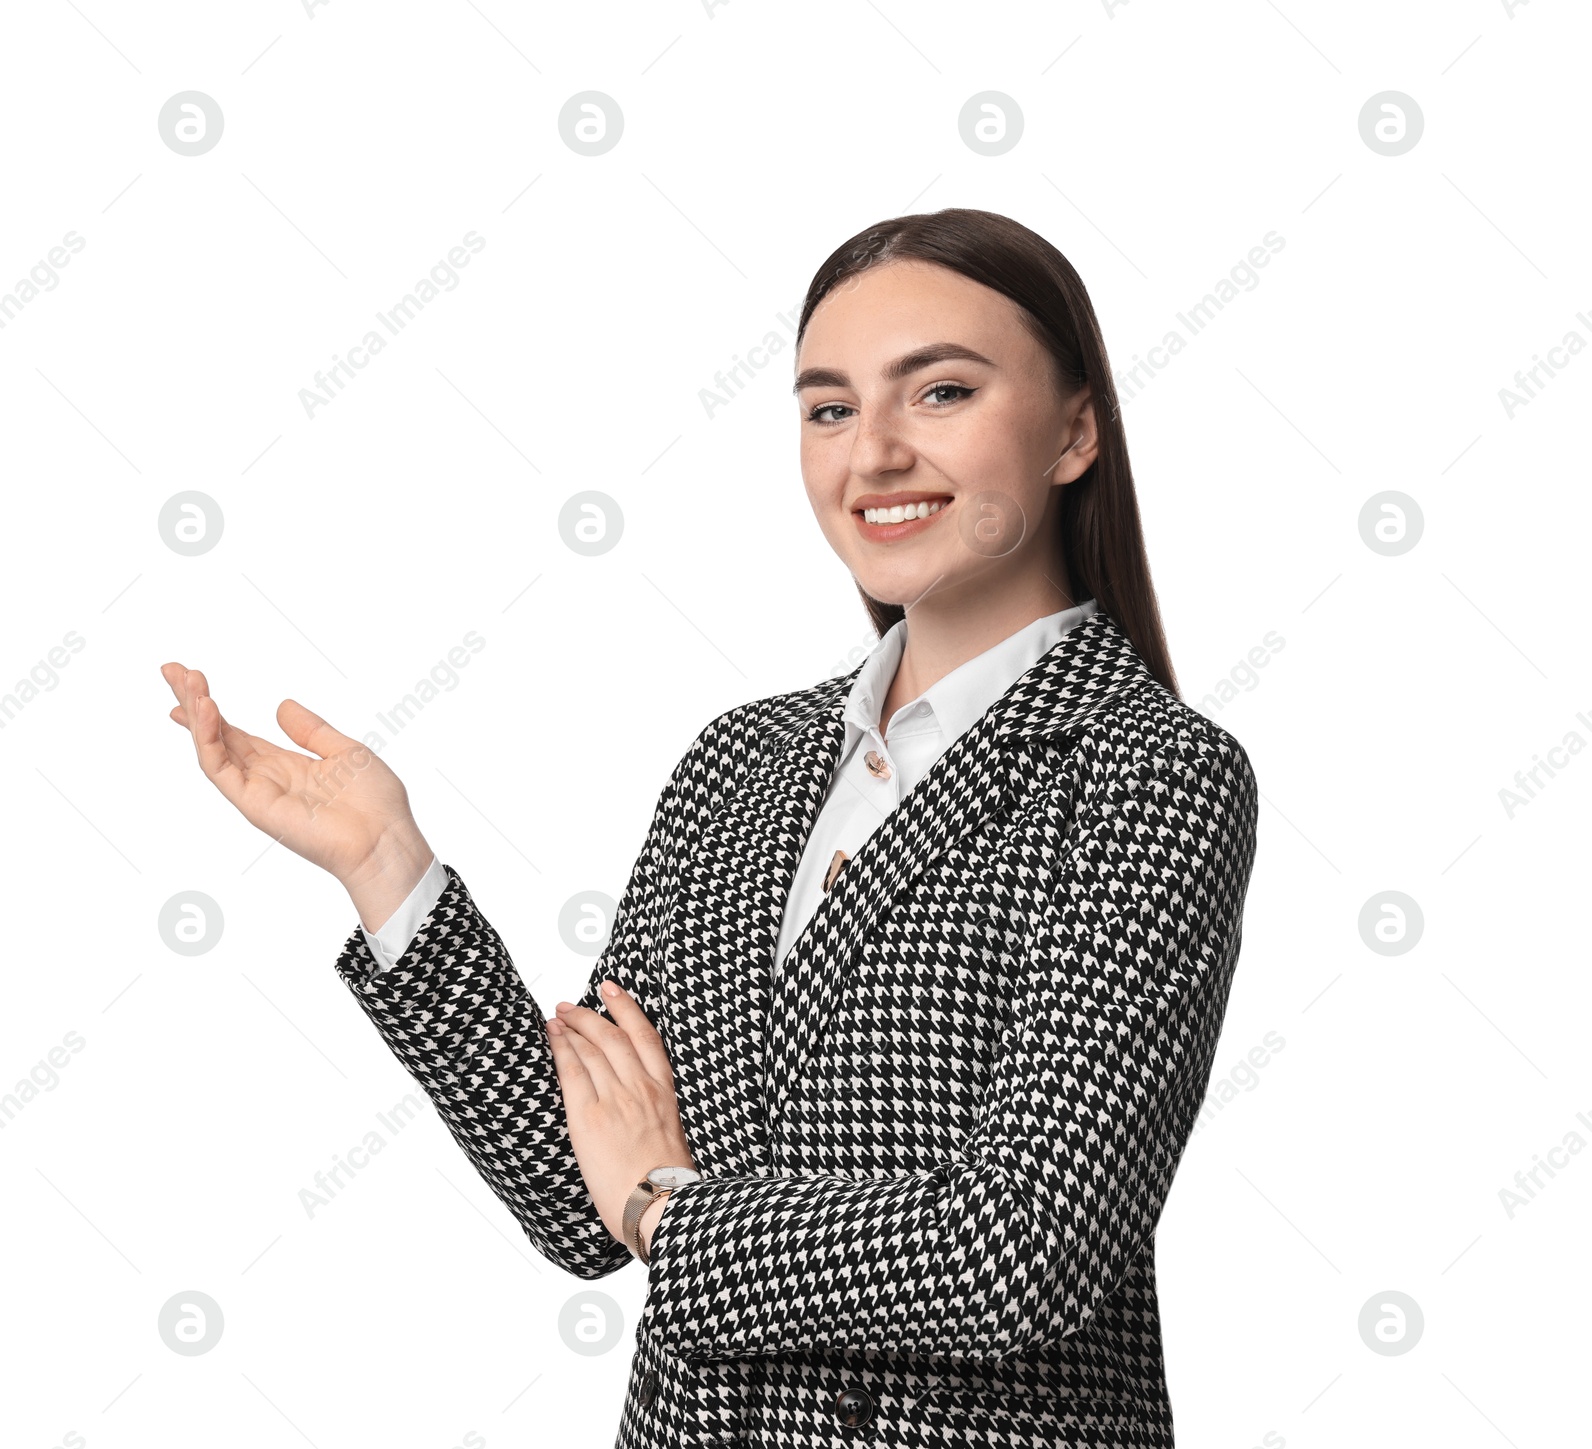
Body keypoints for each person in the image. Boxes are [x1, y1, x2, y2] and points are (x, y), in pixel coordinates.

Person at [161, 207, 1259, 1448]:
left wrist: (671, 1211)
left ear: (1074, 430)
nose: (875, 454)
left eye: (940, 391)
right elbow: (586, 1196)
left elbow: (1020, 1252)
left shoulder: (1148, 774)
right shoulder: (740, 764)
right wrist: (385, 866)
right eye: (829, 409)